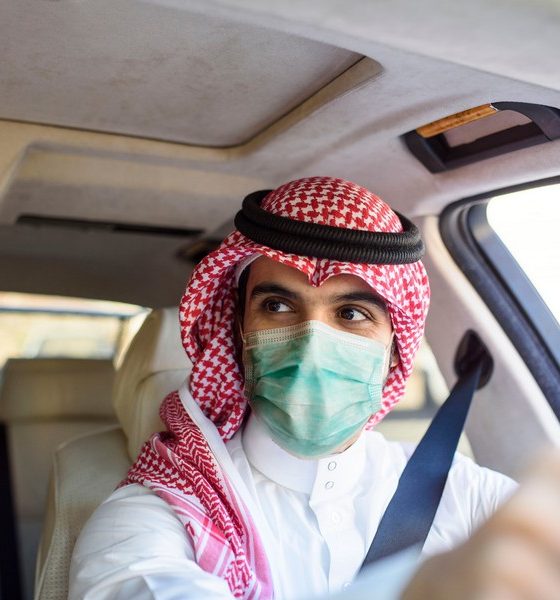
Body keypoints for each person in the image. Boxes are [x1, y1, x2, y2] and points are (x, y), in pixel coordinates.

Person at [69, 176, 518, 599]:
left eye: (352, 314)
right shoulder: (159, 515)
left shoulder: (469, 498)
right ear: (239, 331)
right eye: (278, 306)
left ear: (396, 349)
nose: (310, 346)